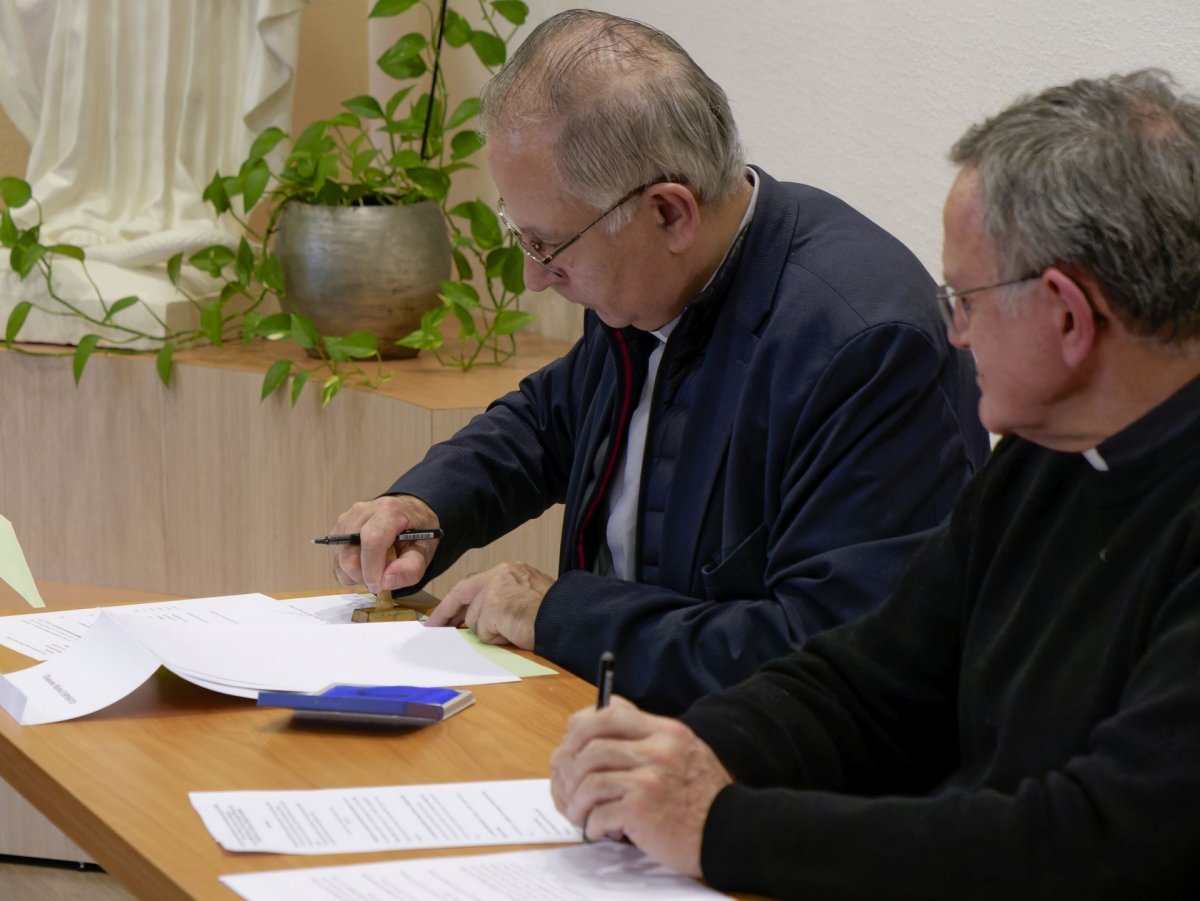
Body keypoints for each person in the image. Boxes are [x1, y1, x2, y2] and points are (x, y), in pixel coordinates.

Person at [549, 69, 1200, 899]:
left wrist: (719, 825)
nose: (954, 334)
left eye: (963, 297)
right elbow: (874, 680)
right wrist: (696, 751)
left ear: (1068, 315)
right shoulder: (1047, 453)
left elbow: (1093, 845)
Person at [331, 9, 988, 714]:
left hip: (754, 774)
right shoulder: (647, 277)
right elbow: (554, 419)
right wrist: (428, 504)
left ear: (669, 213)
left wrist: (561, 614)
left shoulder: (865, 346)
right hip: (598, 721)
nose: (533, 276)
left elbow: (829, 653)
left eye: (548, 246)